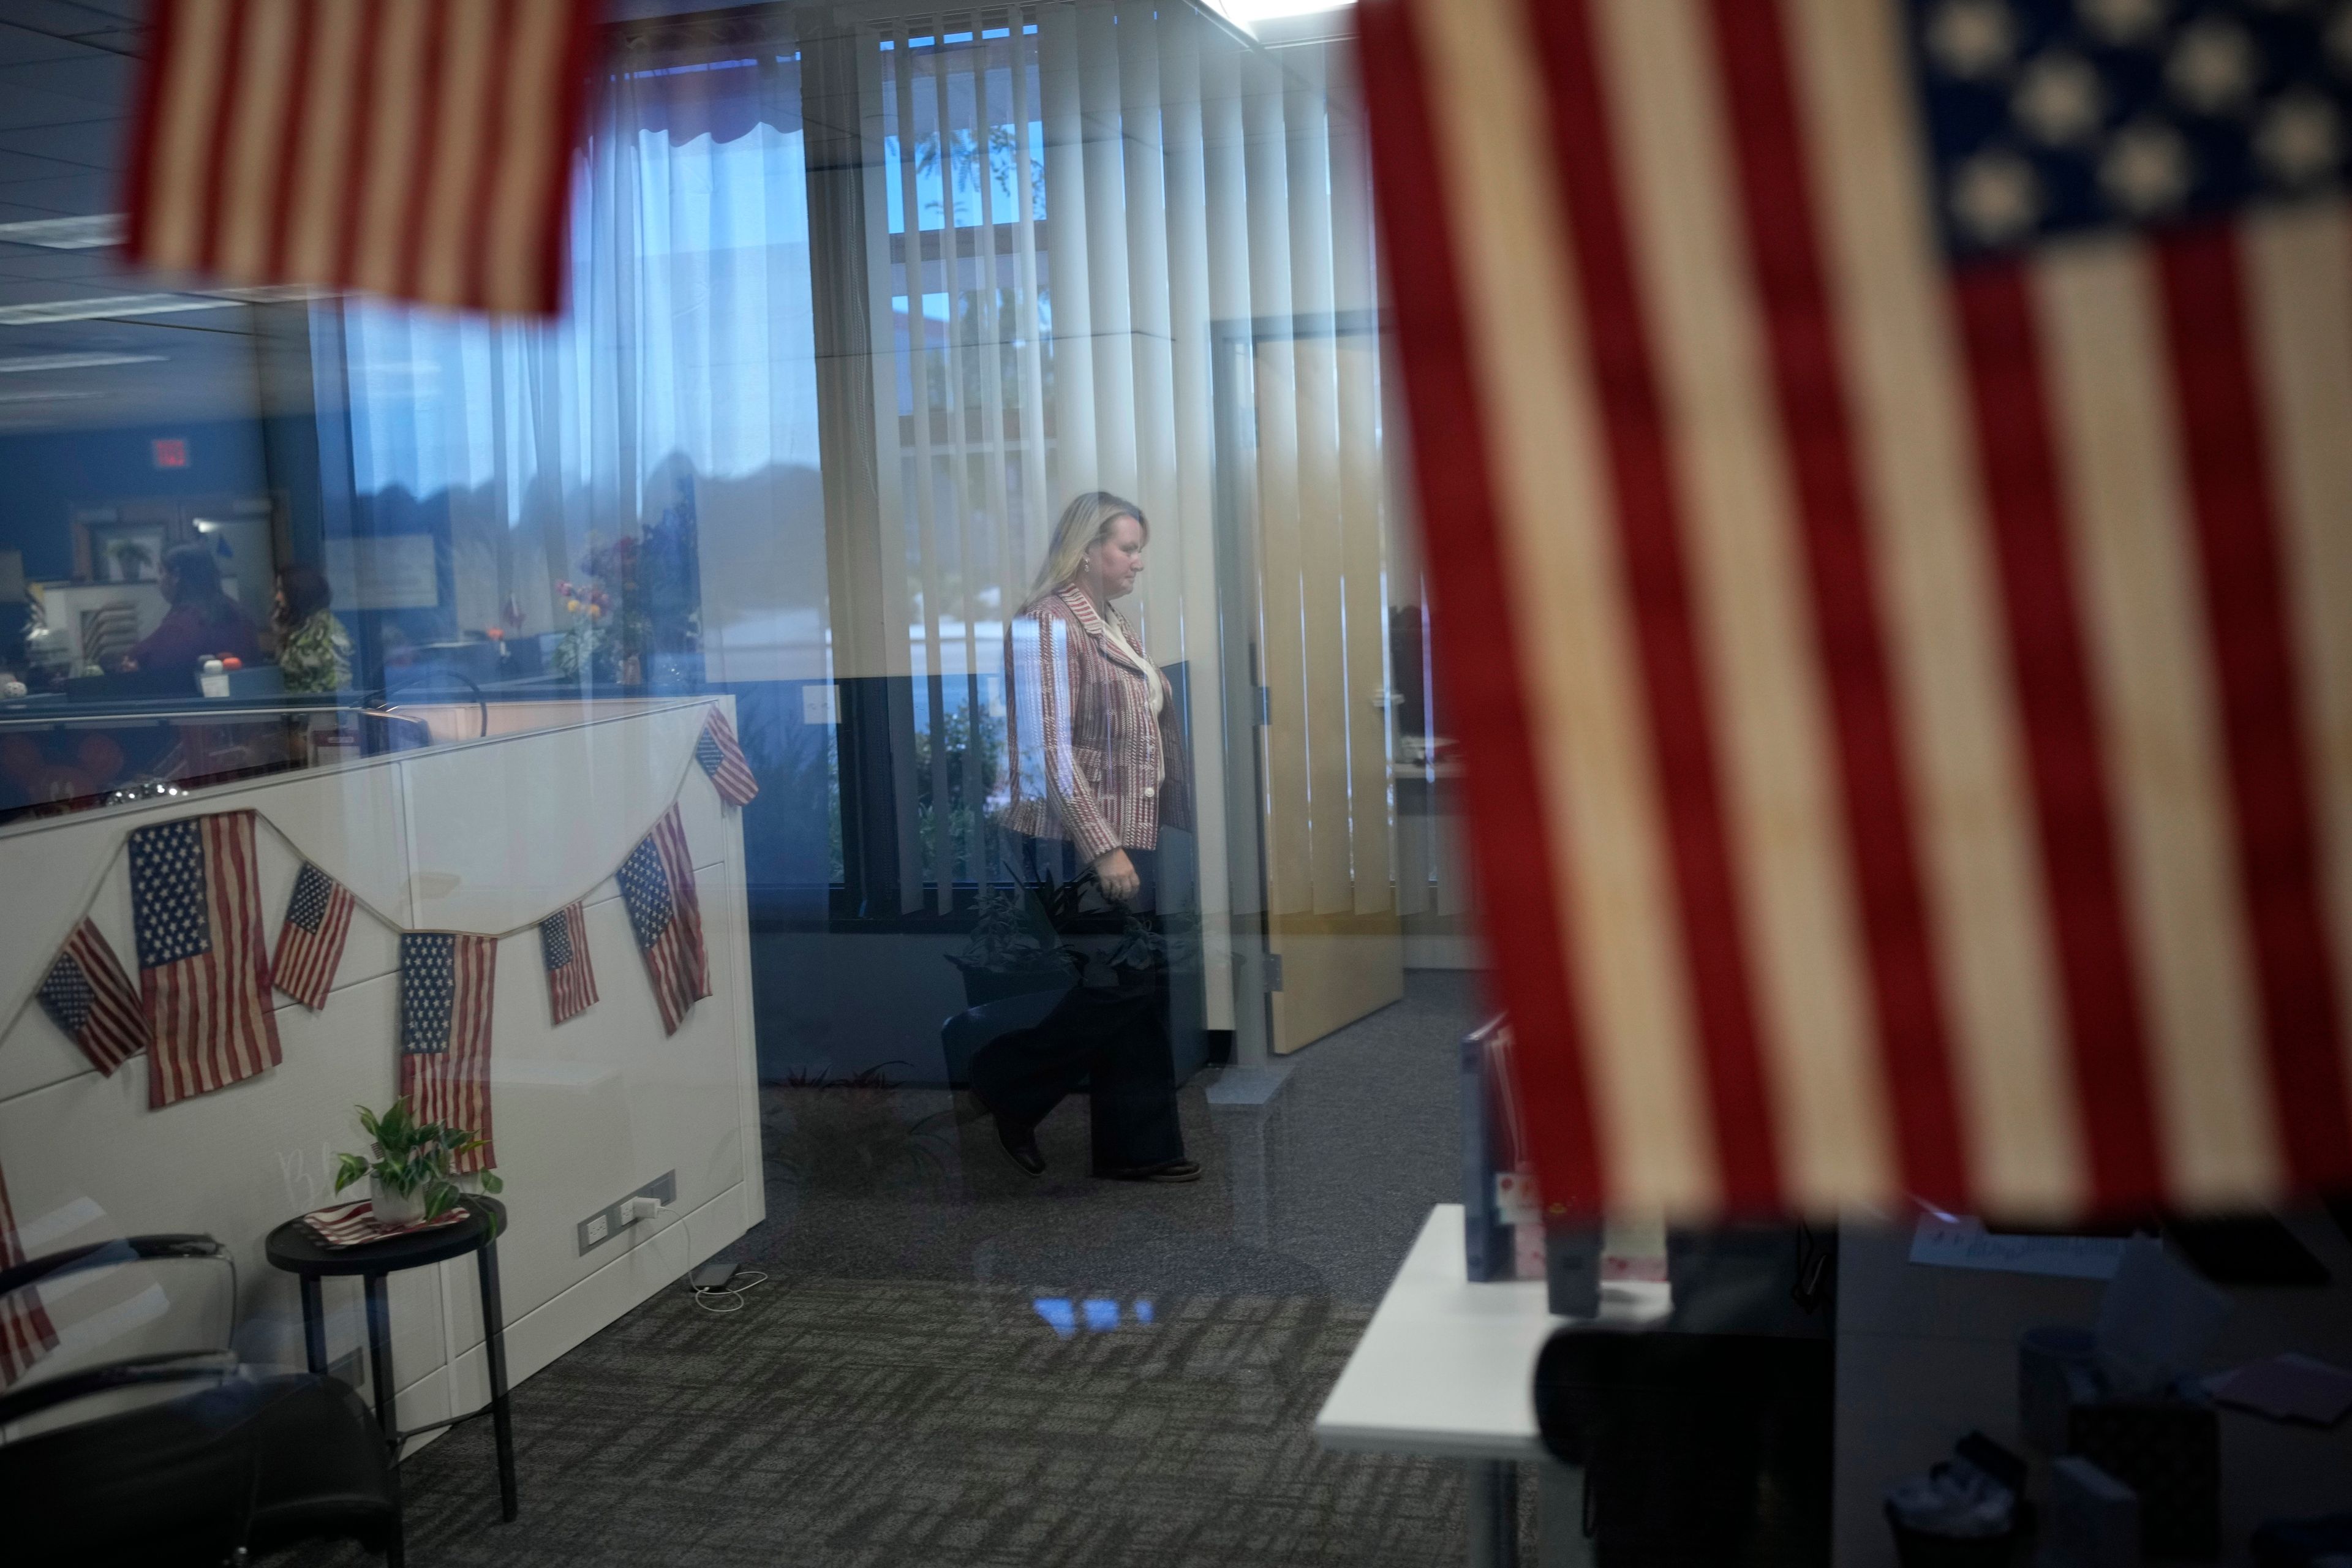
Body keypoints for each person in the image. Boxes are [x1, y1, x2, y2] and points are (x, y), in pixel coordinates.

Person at [975, 491, 1199, 1184]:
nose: (1138, 562)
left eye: (1139, 550)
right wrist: (1103, 848)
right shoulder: (1047, 626)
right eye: (1127, 548)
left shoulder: (1108, 621)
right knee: (1121, 978)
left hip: (1127, 831)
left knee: (1135, 981)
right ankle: (1008, 1082)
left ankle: (1140, 1149)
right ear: (1084, 551)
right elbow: (1049, 749)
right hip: (1074, 838)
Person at [122, 543, 262, 682]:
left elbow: (146, 664)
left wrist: (137, 671)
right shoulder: (239, 612)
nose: (157, 581)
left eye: (161, 572)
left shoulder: (181, 625)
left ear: (176, 576)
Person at [273, 564, 351, 694]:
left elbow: (339, 681)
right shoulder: (303, 628)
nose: (278, 597)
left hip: (321, 708)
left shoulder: (324, 628)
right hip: (303, 707)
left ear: (296, 592)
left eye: (282, 590)